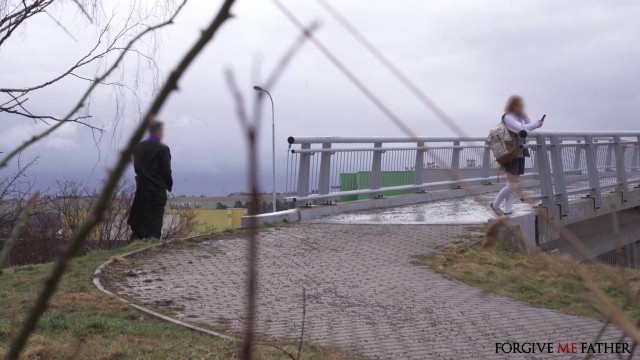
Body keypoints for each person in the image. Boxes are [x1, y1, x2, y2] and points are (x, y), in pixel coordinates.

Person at [490, 95, 544, 216]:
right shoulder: (508, 117)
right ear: (512, 106)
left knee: (512, 185)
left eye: (521, 105)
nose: (521, 107)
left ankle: (508, 210)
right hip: (510, 152)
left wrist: (526, 117)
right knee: (512, 185)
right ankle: (494, 205)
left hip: (519, 151)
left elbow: (529, 126)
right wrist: (536, 124)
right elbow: (521, 128)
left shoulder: (518, 117)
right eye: (518, 105)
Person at [128, 121, 173, 240]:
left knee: (140, 217)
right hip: (156, 189)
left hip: (141, 188)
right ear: (158, 131)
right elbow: (166, 171)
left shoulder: (138, 148)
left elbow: (136, 167)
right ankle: (152, 244)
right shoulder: (162, 149)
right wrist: (168, 184)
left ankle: (135, 242)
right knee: (155, 221)